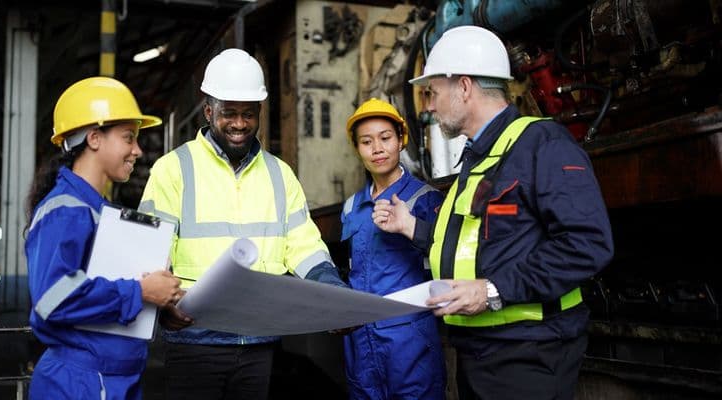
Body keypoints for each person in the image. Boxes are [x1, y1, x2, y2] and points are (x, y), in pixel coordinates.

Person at [372, 25, 614, 400]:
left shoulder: (543, 145)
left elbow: (587, 244)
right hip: (482, 351)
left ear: (464, 87)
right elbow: (479, 240)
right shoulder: (483, 154)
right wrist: (412, 228)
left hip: (529, 354)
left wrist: (491, 291)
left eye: (433, 92)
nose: (429, 106)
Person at [138, 48, 347, 400]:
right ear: (209, 111)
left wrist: (331, 289)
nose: (239, 124)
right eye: (229, 113)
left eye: (248, 114)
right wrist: (163, 307)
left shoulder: (280, 175)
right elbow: (149, 254)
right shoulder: (173, 169)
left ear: (259, 113)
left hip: (258, 342)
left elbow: (305, 246)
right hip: (194, 341)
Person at [25, 76, 183, 400]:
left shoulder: (101, 212)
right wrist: (141, 291)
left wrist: (161, 306)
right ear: (94, 138)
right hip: (80, 384)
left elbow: (108, 290)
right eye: (129, 138)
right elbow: (53, 298)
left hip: (113, 379)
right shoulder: (66, 210)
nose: (138, 150)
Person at [341, 98, 447, 400]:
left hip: (409, 338)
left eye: (386, 138)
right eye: (366, 141)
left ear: (401, 140)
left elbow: (447, 259)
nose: (377, 148)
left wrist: (410, 226)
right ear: (357, 148)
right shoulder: (351, 207)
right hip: (361, 338)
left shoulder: (426, 199)